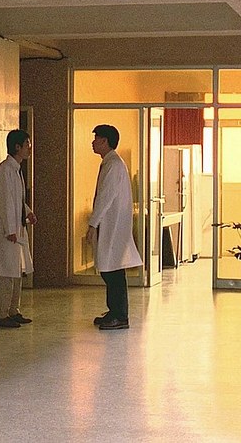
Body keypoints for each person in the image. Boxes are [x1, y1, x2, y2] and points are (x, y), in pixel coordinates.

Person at [0, 129, 37, 328]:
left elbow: (17, 200)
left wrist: (27, 212)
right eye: (27, 145)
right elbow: (4, 201)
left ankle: (13, 309)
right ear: (17, 147)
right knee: (5, 271)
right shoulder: (5, 170)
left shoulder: (15, 170)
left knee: (16, 270)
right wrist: (10, 229)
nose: (29, 148)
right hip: (8, 232)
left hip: (15, 228)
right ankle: (1, 314)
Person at [86, 124, 142, 330]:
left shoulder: (114, 165)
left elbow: (105, 197)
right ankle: (114, 311)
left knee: (113, 271)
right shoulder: (110, 163)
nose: (93, 142)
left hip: (113, 225)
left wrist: (93, 223)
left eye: (96, 139)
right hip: (111, 224)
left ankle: (120, 315)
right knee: (109, 268)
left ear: (105, 141)